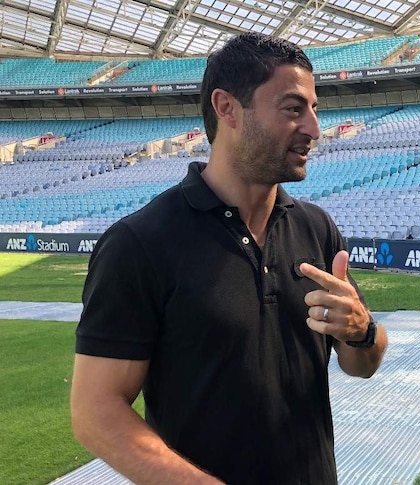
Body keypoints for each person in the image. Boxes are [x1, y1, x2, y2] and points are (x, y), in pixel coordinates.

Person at [70, 32, 387, 485]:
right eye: (294, 109)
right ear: (227, 107)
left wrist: (363, 332)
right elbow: (95, 411)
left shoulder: (316, 228)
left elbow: (362, 365)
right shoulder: (140, 243)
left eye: (315, 110)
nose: (315, 129)